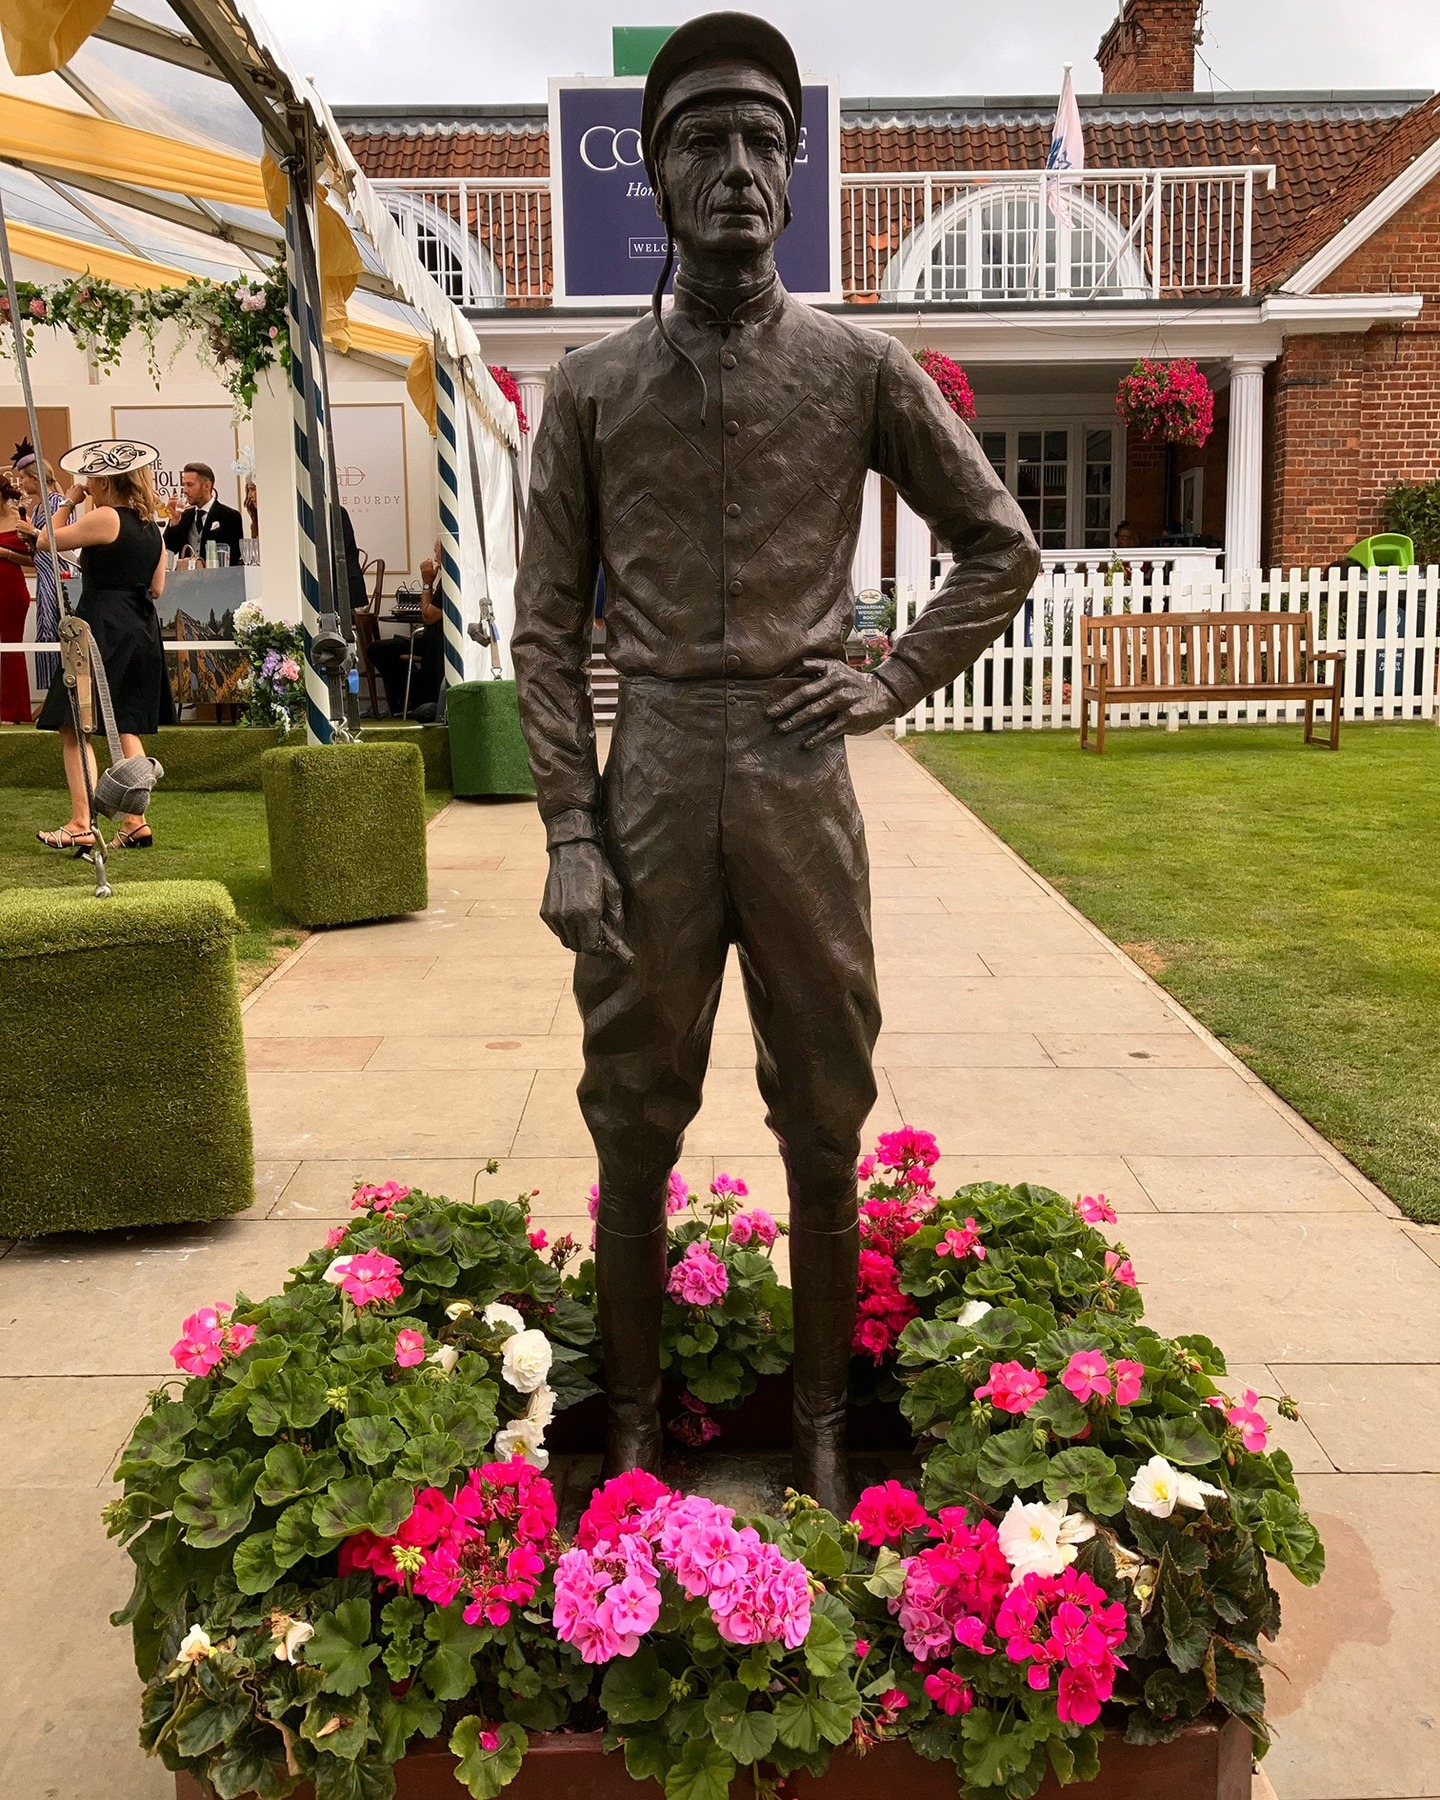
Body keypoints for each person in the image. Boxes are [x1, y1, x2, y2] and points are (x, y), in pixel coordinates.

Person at [513, 13, 1039, 1509]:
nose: (735, 166)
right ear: (657, 178)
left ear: (793, 176)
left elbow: (1000, 546)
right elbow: (545, 626)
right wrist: (568, 824)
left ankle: (818, 1427)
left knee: (824, 1109)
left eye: (761, 141)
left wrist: (888, 683)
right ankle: (626, 1423)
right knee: (631, 1111)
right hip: (657, 771)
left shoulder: (863, 367)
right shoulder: (593, 387)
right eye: (701, 140)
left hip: (803, 779)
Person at [29, 441, 173, 852]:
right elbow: (158, 588)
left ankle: (81, 821)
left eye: (92, 477)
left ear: (106, 480)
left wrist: (68, 500)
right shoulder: (152, 529)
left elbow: (45, 541)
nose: (87, 483)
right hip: (141, 627)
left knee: (72, 723)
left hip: (102, 628)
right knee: (125, 721)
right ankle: (135, 821)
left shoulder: (106, 517)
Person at [13, 438, 72, 692]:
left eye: (24, 479)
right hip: (46, 577)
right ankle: (52, 691)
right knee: (46, 629)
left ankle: (62, 689)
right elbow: (41, 544)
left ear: (34, 478)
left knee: (57, 629)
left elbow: (62, 539)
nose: (22, 485)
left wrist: (34, 531)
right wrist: (30, 538)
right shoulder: (39, 507)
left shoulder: (57, 503)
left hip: (59, 576)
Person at [367, 537, 444, 716]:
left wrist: (426, 582)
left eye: (437, 551)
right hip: (427, 639)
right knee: (379, 649)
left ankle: (410, 701)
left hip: (433, 643)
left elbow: (428, 615)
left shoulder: (450, 580)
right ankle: (404, 701)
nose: (434, 555)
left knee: (378, 649)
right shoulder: (445, 577)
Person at [0, 471, 34, 722]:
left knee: (13, 648)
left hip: (11, 588)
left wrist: (6, 554)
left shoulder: (20, 518)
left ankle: (16, 712)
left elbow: (35, 558)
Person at [163, 462, 243, 566]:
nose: (185, 490)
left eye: (190, 485)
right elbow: (170, 548)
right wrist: (174, 520)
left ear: (207, 486)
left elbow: (234, 557)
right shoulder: (185, 516)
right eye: (184, 485)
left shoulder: (230, 516)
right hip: (186, 579)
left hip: (218, 580)